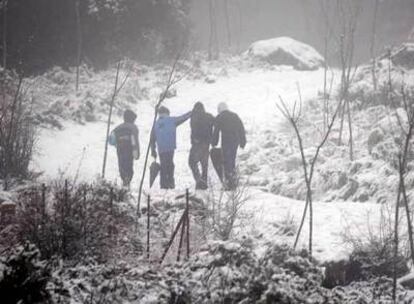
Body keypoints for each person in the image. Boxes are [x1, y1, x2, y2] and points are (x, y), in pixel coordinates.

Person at [151, 106, 191, 189]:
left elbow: (152, 139)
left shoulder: (156, 124)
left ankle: (164, 184)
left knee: (164, 165)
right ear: (167, 113)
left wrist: (153, 150)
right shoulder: (171, 120)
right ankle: (169, 184)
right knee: (170, 165)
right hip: (170, 148)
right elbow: (183, 118)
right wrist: (190, 113)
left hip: (161, 149)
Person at [212, 102, 246, 190]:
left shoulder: (220, 117)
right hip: (235, 141)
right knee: (232, 160)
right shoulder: (235, 116)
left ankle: (230, 184)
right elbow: (241, 128)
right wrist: (243, 142)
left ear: (219, 110)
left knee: (227, 161)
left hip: (226, 141)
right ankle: (233, 181)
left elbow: (216, 132)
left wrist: (214, 143)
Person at [110, 109, 140, 188]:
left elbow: (111, 140)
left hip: (120, 148)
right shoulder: (133, 127)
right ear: (132, 119)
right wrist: (137, 153)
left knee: (122, 165)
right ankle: (127, 184)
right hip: (128, 148)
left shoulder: (118, 128)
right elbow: (135, 141)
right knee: (128, 166)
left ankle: (124, 182)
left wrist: (117, 143)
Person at [189, 102, 214, 190]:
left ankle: (199, 181)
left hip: (197, 143)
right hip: (206, 144)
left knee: (192, 162)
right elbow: (216, 124)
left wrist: (195, 139)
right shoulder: (209, 116)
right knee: (204, 165)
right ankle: (203, 183)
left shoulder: (195, 117)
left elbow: (194, 129)